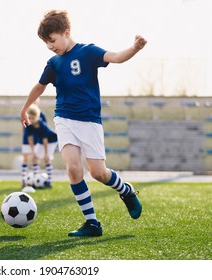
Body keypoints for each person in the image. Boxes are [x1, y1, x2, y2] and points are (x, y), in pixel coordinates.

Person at [20, 10, 147, 237]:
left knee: (98, 173)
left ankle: (126, 191)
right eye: (46, 43)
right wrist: (25, 107)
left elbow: (116, 57)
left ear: (66, 33)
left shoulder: (88, 52)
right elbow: (40, 86)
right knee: (73, 168)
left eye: (52, 40)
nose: (50, 46)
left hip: (89, 121)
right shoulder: (54, 63)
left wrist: (135, 48)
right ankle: (92, 223)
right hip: (64, 119)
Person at [25, 104, 57, 188]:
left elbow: (45, 140)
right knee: (34, 158)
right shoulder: (29, 124)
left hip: (51, 140)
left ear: (37, 116)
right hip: (41, 141)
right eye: (29, 118)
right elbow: (30, 138)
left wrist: (46, 154)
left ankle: (48, 182)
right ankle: (35, 180)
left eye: (33, 118)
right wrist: (33, 152)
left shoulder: (41, 125)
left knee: (47, 159)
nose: (31, 120)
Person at [20, 99, 47, 187]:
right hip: (27, 138)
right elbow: (23, 126)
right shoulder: (26, 113)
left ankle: (35, 179)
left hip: (36, 139)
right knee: (25, 158)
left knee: (36, 158)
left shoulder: (41, 114)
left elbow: (44, 127)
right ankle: (24, 180)